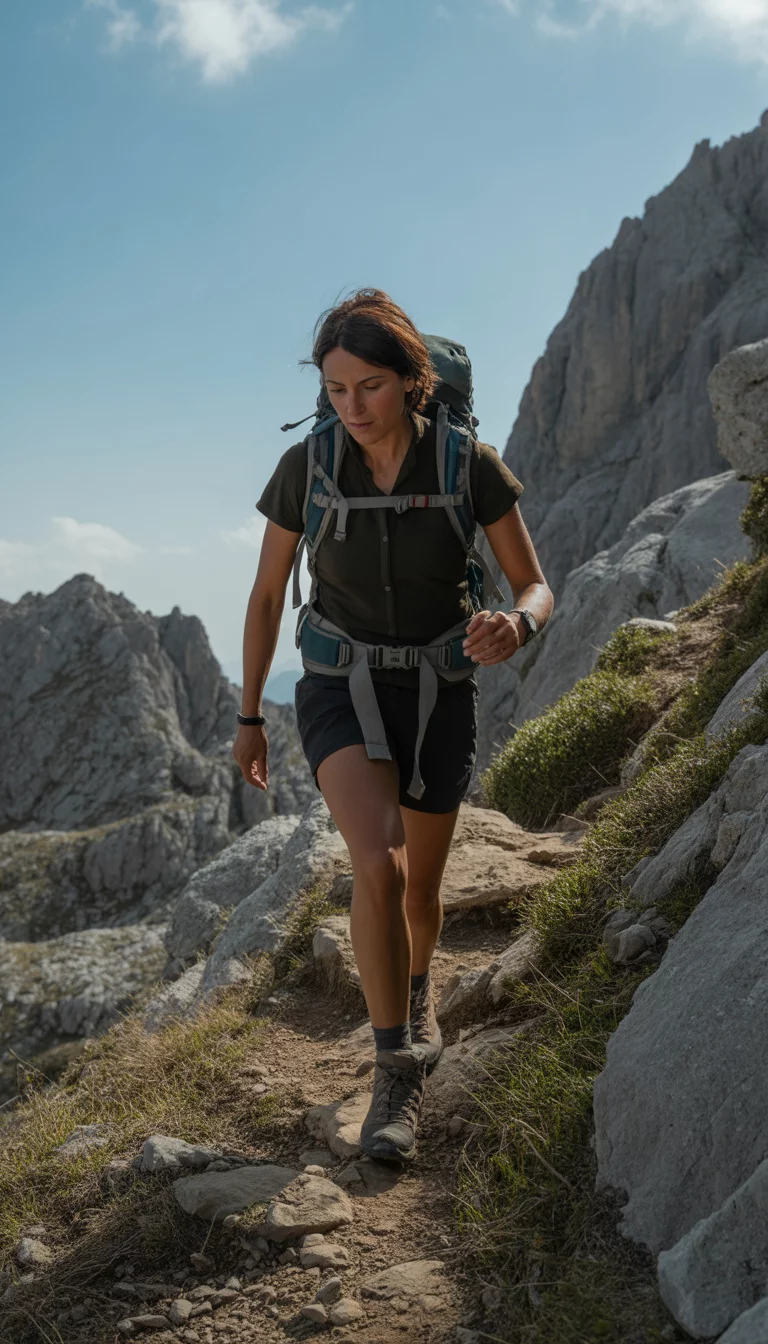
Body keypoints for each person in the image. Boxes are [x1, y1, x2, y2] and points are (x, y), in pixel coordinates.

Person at [232, 289, 553, 1164]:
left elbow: (535, 583)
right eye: (335, 389)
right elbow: (266, 596)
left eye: (369, 386)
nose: (351, 408)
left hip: (440, 689)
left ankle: (418, 993)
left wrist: (515, 624)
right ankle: (394, 1071)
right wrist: (251, 714)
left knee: (421, 891)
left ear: (413, 382)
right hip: (338, 683)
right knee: (378, 862)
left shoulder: (466, 464)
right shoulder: (309, 466)